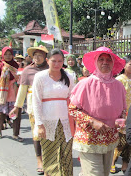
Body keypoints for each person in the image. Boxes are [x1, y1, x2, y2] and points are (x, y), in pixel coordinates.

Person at [69, 47, 127, 176]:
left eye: (108, 59)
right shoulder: (86, 84)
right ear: (95, 62)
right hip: (89, 138)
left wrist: (120, 121)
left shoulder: (119, 86)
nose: (105, 62)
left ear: (113, 63)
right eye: (101, 59)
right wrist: (92, 121)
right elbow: (73, 109)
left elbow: (123, 110)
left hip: (110, 137)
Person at [32, 48, 75, 176]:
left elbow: (73, 97)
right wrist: (39, 124)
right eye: (53, 61)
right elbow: (36, 101)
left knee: (66, 153)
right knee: (49, 153)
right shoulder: (40, 77)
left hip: (66, 121)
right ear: (47, 61)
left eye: (60, 61)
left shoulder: (69, 76)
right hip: (47, 121)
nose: (57, 64)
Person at [9, 45, 49, 174]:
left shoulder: (51, 69)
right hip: (33, 107)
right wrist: (17, 107)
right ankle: (39, 160)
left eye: (40, 55)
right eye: (35, 55)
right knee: (37, 134)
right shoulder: (27, 70)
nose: (37, 57)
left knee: (49, 133)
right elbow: (22, 90)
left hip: (50, 106)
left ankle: (49, 157)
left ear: (45, 57)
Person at [110, 55, 131, 174]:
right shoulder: (119, 80)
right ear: (124, 65)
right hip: (121, 115)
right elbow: (115, 98)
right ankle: (112, 163)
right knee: (120, 142)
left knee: (130, 142)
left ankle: (125, 165)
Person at [0, 47, 19, 139]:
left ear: (12, 55)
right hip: (2, 92)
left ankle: (15, 134)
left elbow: (21, 79)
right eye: (6, 54)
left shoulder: (17, 66)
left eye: (10, 54)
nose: (8, 56)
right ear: (2, 55)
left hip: (14, 92)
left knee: (15, 114)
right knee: (0, 113)